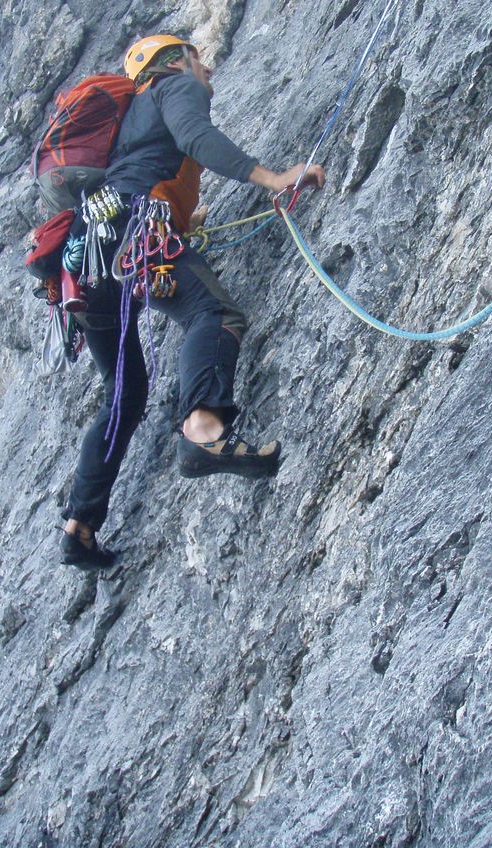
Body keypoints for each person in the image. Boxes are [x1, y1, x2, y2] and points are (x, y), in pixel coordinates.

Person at [59, 34, 325, 570]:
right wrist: (274, 177)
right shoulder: (173, 86)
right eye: (200, 59)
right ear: (176, 60)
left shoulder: (131, 120)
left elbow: (143, 177)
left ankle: (80, 525)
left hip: (86, 259)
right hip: (135, 237)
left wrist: (183, 222)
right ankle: (202, 429)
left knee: (125, 393)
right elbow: (195, 136)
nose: (208, 73)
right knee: (215, 313)